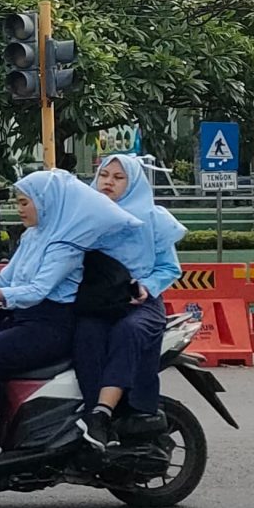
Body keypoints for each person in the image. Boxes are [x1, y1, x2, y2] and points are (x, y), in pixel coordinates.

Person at [0, 169, 150, 460]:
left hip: (50, 326)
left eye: (24, 202)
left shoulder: (65, 246)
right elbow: (5, 278)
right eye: (17, 203)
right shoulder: (33, 237)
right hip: (21, 319)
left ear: (46, 202)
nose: (19, 209)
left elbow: (37, 290)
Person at [75, 153, 187, 451]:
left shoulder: (153, 220)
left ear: (133, 183)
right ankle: (87, 414)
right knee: (85, 335)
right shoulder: (85, 218)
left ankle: (102, 414)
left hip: (141, 305)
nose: (108, 182)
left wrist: (145, 287)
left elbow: (169, 268)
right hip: (99, 303)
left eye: (118, 177)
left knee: (130, 331)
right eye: (104, 175)